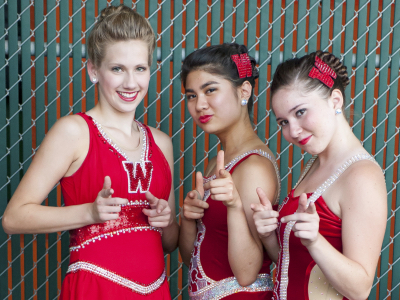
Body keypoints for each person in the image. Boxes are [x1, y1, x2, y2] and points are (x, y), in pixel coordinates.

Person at [2, 5, 179, 299]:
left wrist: (166, 220)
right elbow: (13, 218)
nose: (130, 83)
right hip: (95, 290)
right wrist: (89, 212)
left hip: (155, 291)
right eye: (117, 69)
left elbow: (168, 243)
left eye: (140, 68)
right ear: (93, 70)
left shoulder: (161, 142)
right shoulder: (74, 131)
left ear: (150, 70)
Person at [252, 50, 387, 300]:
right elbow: (293, 261)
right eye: (283, 122)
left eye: (300, 112)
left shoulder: (362, 176)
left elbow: (360, 289)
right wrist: (268, 235)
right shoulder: (315, 162)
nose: (293, 130)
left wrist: (315, 241)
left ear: (335, 100)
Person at [179, 43, 281, 299]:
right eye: (191, 95)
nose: (199, 104)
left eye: (210, 90)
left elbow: (246, 274)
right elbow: (190, 257)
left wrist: (234, 205)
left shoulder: (253, 166)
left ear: (244, 90)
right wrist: (188, 218)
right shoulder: (219, 163)